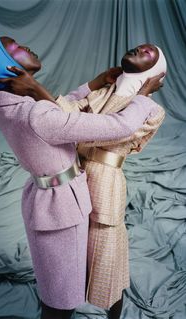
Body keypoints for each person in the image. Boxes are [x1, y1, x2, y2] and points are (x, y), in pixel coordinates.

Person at [0, 37, 164, 319]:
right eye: (17, 49)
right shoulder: (36, 113)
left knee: (71, 285)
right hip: (62, 209)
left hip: (52, 200)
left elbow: (60, 112)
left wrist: (91, 85)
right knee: (61, 299)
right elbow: (118, 126)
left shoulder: (10, 106)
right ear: (9, 69)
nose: (28, 48)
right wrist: (143, 96)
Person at [52, 43, 167, 319]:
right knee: (69, 260)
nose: (139, 48)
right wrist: (92, 83)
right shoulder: (101, 91)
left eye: (148, 52)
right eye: (138, 47)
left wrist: (140, 95)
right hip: (73, 179)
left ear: (156, 71)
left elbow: (108, 132)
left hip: (105, 187)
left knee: (107, 265)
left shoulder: (152, 111)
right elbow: (58, 111)